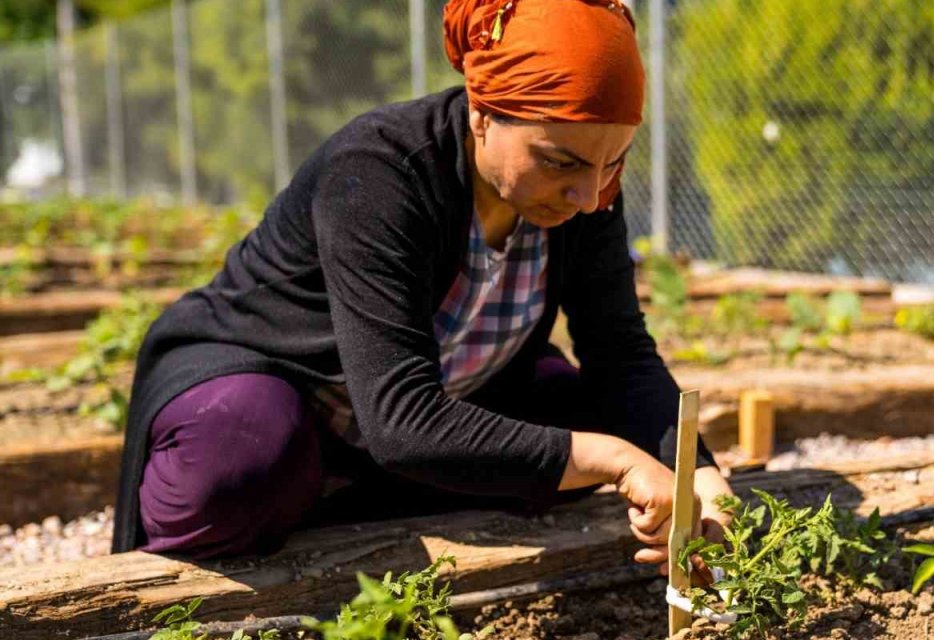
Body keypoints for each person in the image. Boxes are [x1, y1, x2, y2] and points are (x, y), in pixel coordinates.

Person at [109, 0, 733, 573]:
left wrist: (697, 474)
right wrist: (619, 460)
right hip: (282, 388)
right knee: (242, 460)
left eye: (613, 160)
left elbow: (619, 354)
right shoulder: (381, 173)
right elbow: (401, 418)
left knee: (595, 415)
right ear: (483, 113)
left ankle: (342, 498)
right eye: (560, 161)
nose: (590, 193)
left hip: (424, 409)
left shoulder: (589, 193)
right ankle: (297, 491)